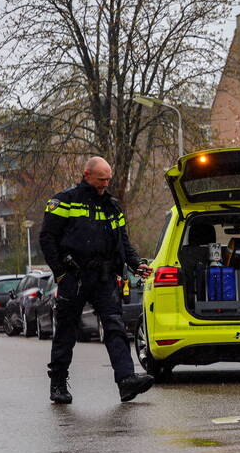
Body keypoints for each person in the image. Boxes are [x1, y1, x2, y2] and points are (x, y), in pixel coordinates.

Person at [39, 156, 155, 404]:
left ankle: (126, 381)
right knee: (67, 331)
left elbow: (123, 242)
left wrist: (137, 264)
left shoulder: (112, 206)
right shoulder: (65, 200)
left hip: (103, 277)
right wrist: (59, 272)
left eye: (108, 179)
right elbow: (47, 238)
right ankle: (58, 383)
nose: (105, 184)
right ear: (87, 174)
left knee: (115, 327)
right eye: (101, 179)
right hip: (74, 276)